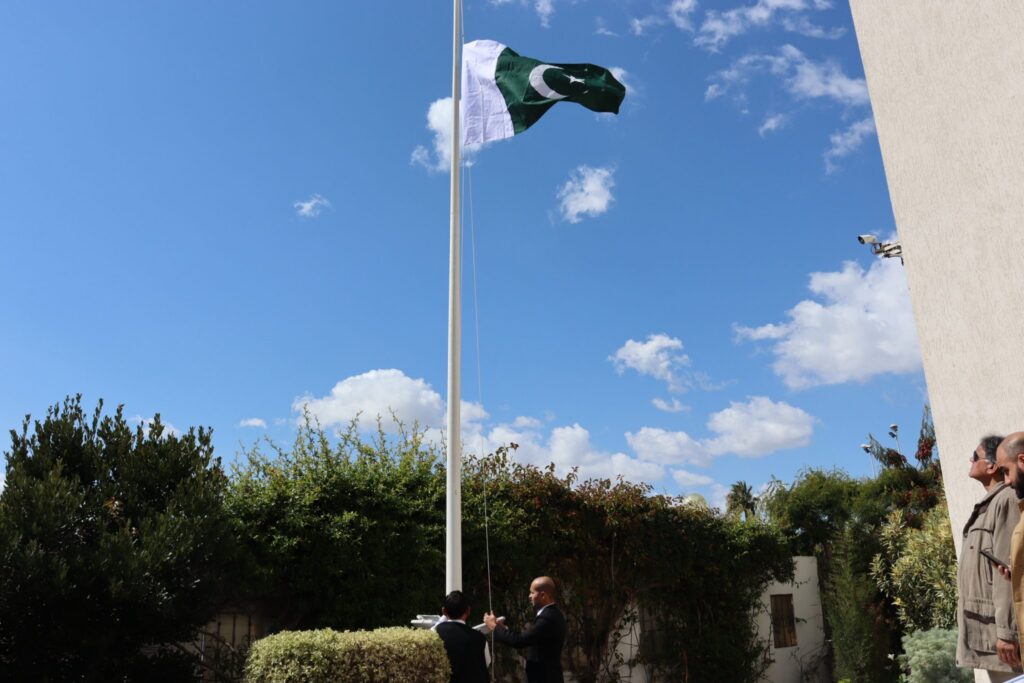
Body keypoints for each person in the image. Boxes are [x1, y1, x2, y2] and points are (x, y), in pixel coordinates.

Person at [957, 435, 1021, 680]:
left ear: (992, 466)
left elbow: (1010, 569)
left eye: (975, 456)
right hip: (987, 632)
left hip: (1003, 640)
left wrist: (1007, 632)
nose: (970, 461)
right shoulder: (988, 505)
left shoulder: (1006, 500)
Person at [484, 576, 565, 683]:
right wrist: (504, 629)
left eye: (532, 593)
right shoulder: (552, 614)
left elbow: (519, 641)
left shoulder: (547, 618)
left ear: (543, 595)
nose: (529, 596)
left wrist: (494, 627)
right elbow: (529, 637)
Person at [435, 591, 489, 683]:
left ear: (444, 611)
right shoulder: (480, 638)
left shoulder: (435, 633)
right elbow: (486, 663)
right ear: (468, 611)